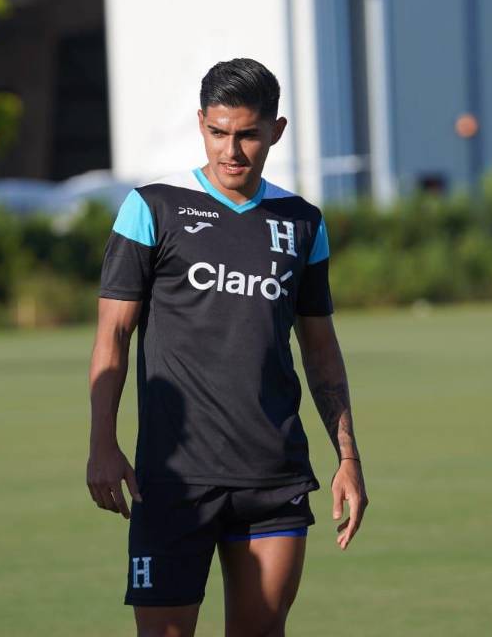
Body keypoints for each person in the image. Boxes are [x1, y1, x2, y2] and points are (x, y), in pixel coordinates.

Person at [85, 58, 369, 637]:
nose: (231, 150)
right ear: (201, 124)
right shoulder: (152, 208)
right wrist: (102, 444)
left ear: (276, 131)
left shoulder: (302, 222)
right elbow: (112, 336)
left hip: (274, 479)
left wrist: (349, 458)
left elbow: (320, 351)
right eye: (218, 132)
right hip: (172, 482)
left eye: (247, 134)